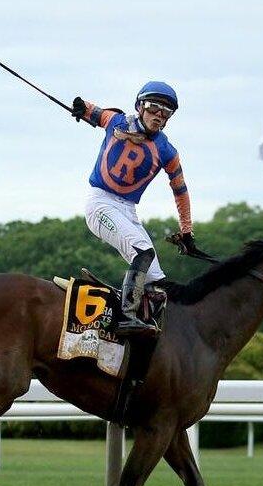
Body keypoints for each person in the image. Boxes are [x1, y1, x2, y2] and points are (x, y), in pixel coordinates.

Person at [70, 81, 199, 337]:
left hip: (128, 210)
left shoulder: (167, 150)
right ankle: (126, 317)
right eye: (154, 107)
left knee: (156, 279)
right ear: (140, 107)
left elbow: (181, 191)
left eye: (166, 112)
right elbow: (94, 112)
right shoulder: (116, 121)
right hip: (100, 203)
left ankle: (147, 333)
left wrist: (187, 232)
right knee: (142, 251)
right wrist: (80, 107)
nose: (159, 115)